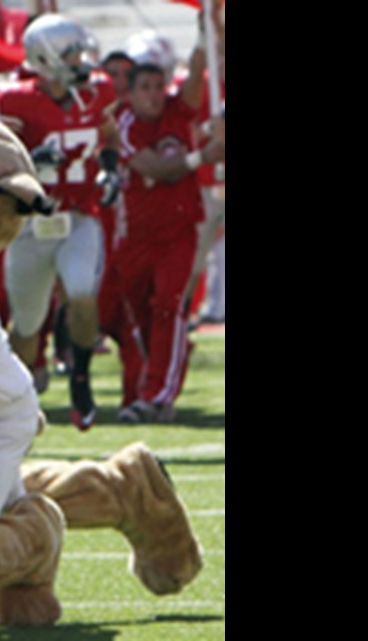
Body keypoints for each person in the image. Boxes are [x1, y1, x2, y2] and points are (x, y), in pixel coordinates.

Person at [0, 13, 120, 430]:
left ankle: (80, 379)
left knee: (82, 294)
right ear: (45, 58)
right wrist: (28, 161)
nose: (80, 59)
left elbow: (108, 134)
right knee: (26, 328)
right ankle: (13, 402)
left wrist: (110, 168)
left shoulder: (97, 90)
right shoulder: (14, 99)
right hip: (31, 226)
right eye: (71, 52)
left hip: (80, 216)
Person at [102, 38, 224, 423]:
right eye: (146, 88)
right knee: (134, 317)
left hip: (179, 229)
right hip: (137, 235)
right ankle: (157, 376)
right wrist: (201, 156)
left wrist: (206, 34)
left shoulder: (178, 111)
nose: (154, 96)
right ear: (132, 93)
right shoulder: (126, 124)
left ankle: (157, 394)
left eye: (159, 87)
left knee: (169, 305)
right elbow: (156, 168)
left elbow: (197, 74)